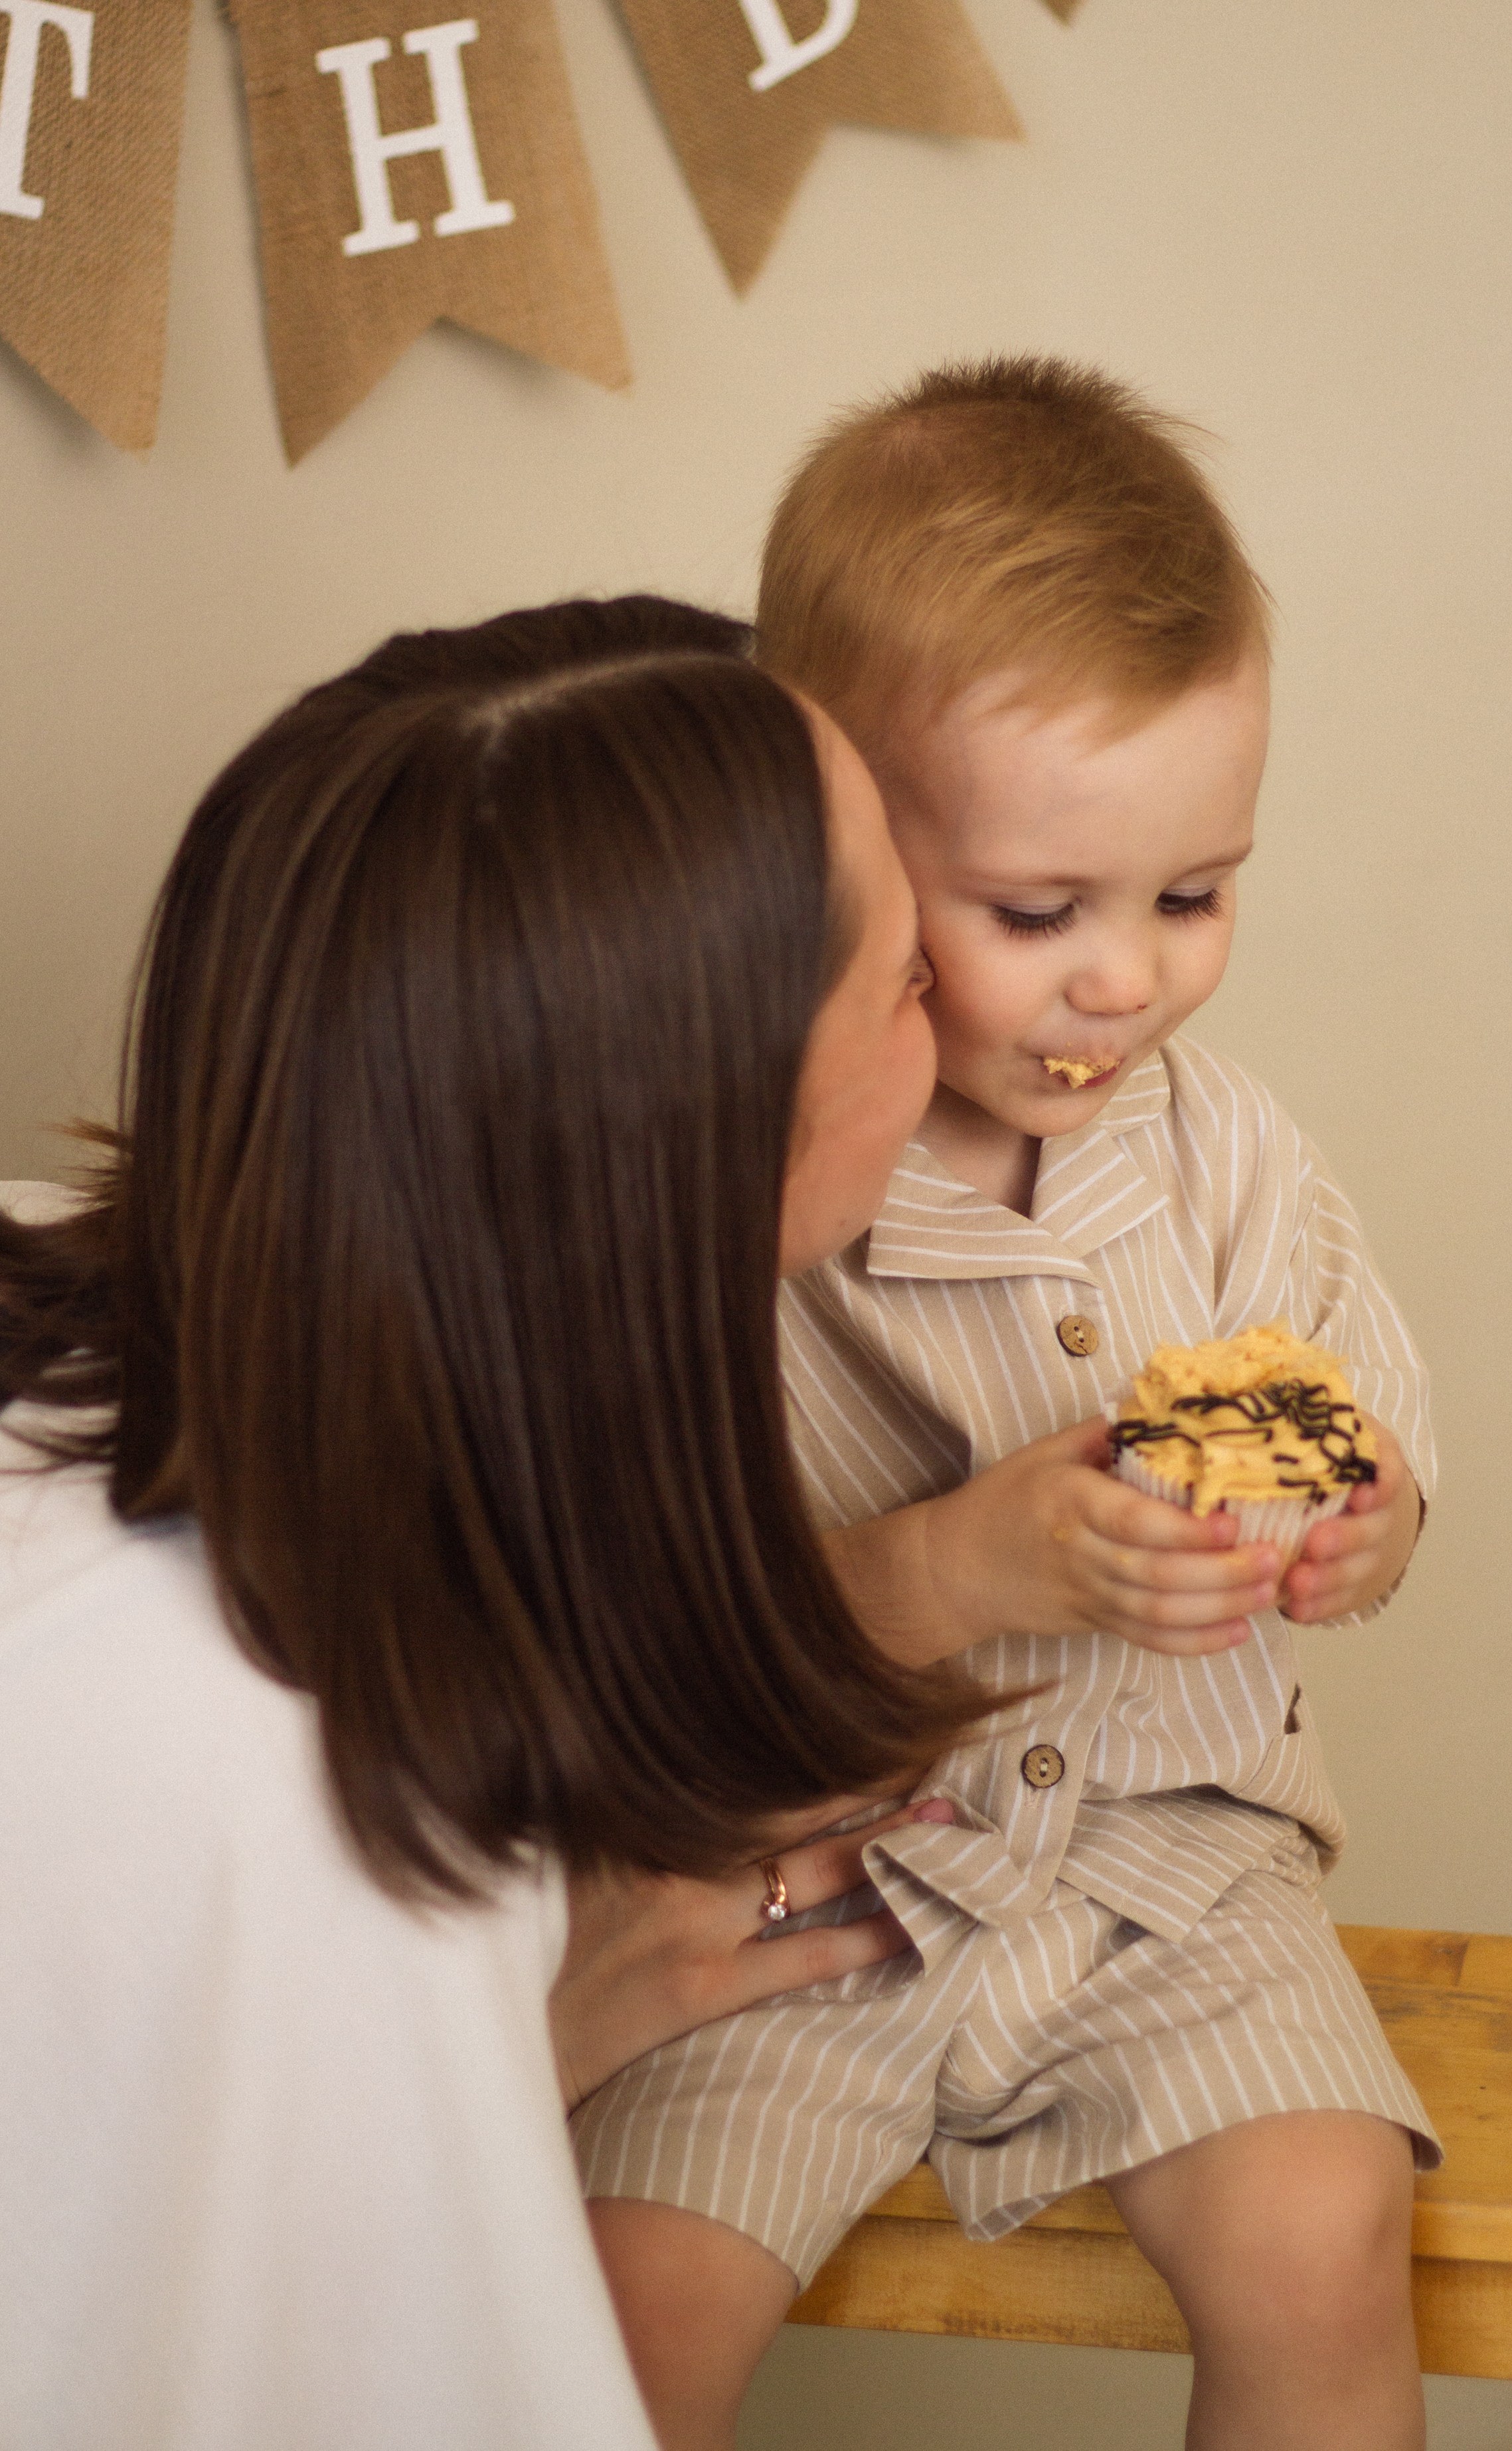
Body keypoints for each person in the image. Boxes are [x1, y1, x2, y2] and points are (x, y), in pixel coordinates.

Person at [0, 595, 989, 2451]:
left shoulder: (98, 1298)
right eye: (910, 978)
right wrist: (454, 2056)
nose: (973, 984)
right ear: (705, 1150)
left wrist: (483, 2052)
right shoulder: (299, 1788)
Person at [576, 361, 1440, 2451]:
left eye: (1191, 892)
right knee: (630, 2299)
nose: (1120, 982)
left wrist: (1359, 1523)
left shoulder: (1230, 1156)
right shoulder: (740, 1209)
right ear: (838, 858)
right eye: (1035, 912)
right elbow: (678, 1645)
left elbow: (1375, 1436)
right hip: (816, 1886)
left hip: (1169, 1864)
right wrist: (966, 1558)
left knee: (1323, 2229)